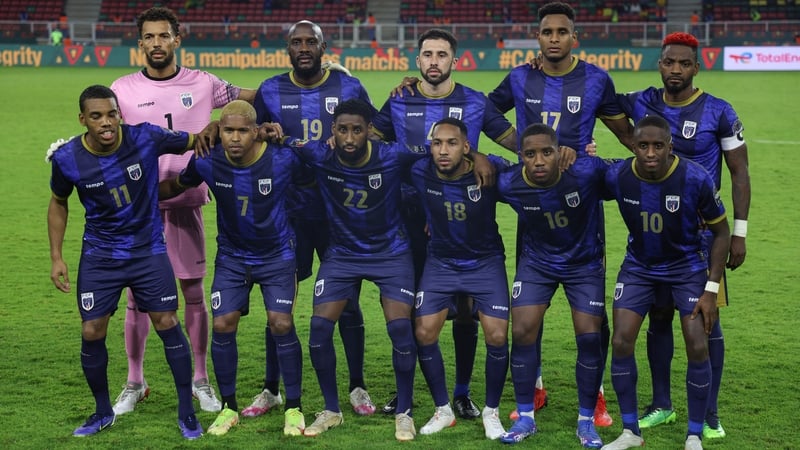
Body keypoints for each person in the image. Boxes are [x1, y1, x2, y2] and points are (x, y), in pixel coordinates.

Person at [488, 1, 633, 425]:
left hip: (583, 197)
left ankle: (598, 392)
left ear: (575, 37)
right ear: (538, 37)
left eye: (561, 32)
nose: (554, 39)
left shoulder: (596, 80)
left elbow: (625, 132)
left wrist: (666, 173)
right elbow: (485, 110)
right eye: (547, 32)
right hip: (534, 200)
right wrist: (523, 147)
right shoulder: (520, 76)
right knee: (527, 313)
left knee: (591, 313)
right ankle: (532, 386)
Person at [108, 6, 256, 417]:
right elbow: (104, 135)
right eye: (149, 37)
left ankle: (200, 379)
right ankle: (135, 382)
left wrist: (315, 84)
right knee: (137, 299)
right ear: (140, 44)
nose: (157, 43)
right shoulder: (121, 89)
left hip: (187, 203)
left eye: (163, 36)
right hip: (140, 209)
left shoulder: (206, 83)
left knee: (192, 292)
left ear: (177, 39)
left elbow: (255, 100)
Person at [373, 27, 518, 420]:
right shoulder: (399, 99)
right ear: (417, 61)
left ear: (455, 60)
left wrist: (562, 155)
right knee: (405, 310)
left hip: (458, 222)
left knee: (467, 310)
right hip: (406, 219)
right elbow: (366, 140)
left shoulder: (474, 101)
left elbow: (515, 142)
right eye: (427, 55)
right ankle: (403, 392)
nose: (434, 61)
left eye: (441, 54)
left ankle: (462, 392)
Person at [47, 84, 202, 440]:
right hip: (100, 255)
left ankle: (186, 411)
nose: (106, 122)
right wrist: (56, 256)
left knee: (167, 322)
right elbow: (58, 201)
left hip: (147, 250)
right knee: (91, 330)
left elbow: (196, 139)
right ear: (82, 119)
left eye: (112, 114)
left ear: (120, 114)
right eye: (97, 116)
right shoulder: (67, 158)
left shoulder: (146, 137)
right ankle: (103, 412)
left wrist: (239, 129)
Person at [616, 31, 750, 440]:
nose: (676, 69)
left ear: (696, 66)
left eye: (684, 63)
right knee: (657, 318)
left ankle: (709, 413)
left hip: (703, 235)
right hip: (652, 231)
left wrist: (739, 233)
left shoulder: (719, 111)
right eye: (669, 62)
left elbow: (740, 173)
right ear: (659, 63)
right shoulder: (641, 102)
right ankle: (661, 405)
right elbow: (596, 100)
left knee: (706, 322)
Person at [246, 20, 376, 419]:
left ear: (324, 47)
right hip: (287, 211)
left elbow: (378, 131)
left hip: (339, 211)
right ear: (287, 48)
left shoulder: (349, 88)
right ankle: (271, 389)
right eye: (296, 42)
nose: (303, 48)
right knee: (279, 302)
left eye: (311, 42)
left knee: (348, 301)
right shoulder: (269, 89)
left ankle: (357, 385)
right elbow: (248, 132)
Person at [280, 99, 428, 441]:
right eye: (343, 129)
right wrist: (272, 132)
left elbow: (436, 157)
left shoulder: (391, 155)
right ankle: (332, 410)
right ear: (332, 131)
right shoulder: (321, 155)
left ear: (369, 131)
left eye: (357, 130)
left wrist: (478, 157)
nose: (349, 137)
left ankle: (404, 412)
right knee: (319, 328)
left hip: (391, 254)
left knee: (401, 331)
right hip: (343, 255)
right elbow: (287, 141)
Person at [159, 100, 306, 437]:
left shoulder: (282, 159)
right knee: (223, 324)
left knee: (281, 323)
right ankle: (228, 407)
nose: (235, 138)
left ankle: (294, 407)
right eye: (228, 130)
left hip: (277, 256)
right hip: (233, 258)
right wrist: (142, 197)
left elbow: (314, 181)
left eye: (243, 130)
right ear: (218, 131)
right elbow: (179, 185)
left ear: (257, 131)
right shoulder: (207, 162)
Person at [601, 115, 730, 450]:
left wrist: (711, 289)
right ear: (634, 145)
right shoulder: (619, 175)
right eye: (643, 145)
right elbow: (581, 180)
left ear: (670, 147)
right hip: (639, 267)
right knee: (621, 341)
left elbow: (721, 232)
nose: (650, 152)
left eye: (658, 145)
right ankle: (630, 432)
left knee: (697, 344)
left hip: (686, 268)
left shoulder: (694, 178)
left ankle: (693, 434)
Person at [496, 123, 612, 447]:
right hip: (538, 263)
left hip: (584, 264)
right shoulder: (510, 182)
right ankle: (525, 418)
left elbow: (630, 179)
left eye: (546, 152)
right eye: (530, 154)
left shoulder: (585, 172)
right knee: (521, 331)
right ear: (521, 156)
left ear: (559, 151)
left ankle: (586, 422)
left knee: (589, 337)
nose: (539, 161)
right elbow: (478, 172)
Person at [408, 118, 510, 440]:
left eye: (452, 143)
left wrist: (485, 158)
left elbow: (530, 174)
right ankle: (443, 409)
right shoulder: (418, 170)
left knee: (497, 334)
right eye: (437, 143)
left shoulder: (488, 173)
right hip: (441, 262)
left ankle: (491, 413)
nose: (443, 150)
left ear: (467, 147)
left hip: (485, 262)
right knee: (424, 331)